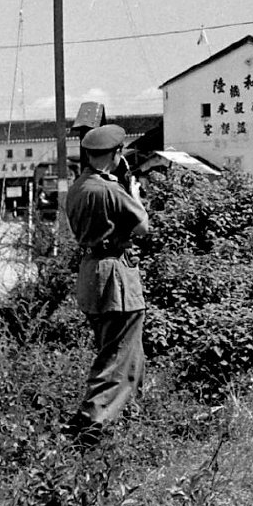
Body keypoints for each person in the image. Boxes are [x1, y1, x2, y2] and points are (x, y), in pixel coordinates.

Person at [65, 124, 149, 444]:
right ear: (115, 155)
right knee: (116, 354)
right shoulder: (110, 189)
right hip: (115, 274)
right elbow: (142, 227)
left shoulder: (78, 187)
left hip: (90, 272)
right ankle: (91, 421)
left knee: (126, 351)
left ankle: (125, 417)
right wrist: (134, 193)